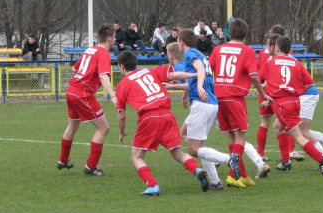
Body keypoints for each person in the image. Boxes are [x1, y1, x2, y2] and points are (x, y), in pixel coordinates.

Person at [116, 51, 210, 195]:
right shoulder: (150, 71)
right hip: (167, 114)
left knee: (136, 157)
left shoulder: (122, 85)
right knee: (178, 153)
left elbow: (121, 115)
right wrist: (194, 75)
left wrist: (122, 133)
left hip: (149, 117)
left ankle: (153, 185)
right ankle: (197, 170)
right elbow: (175, 75)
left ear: (121, 67)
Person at [208, 18, 273, 188]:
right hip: (235, 97)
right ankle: (232, 174)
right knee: (241, 136)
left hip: (218, 96)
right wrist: (263, 94)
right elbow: (253, 75)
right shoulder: (247, 51)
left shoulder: (218, 49)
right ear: (245, 33)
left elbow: (208, 71)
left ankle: (242, 175)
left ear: (229, 31)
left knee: (231, 135)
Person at [259, 35, 323, 176]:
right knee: (277, 127)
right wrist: (297, 93)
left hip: (282, 105)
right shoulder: (296, 63)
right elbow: (310, 83)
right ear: (290, 49)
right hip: (295, 102)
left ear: (277, 48)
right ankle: (286, 161)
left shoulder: (271, 63)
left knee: (298, 137)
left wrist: (265, 94)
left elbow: (261, 80)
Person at [177, 29, 239, 190]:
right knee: (196, 143)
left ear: (182, 42)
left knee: (193, 149)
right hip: (210, 103)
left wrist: (198, 87)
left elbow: (200, 72)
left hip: (202, 103)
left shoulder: (190, 54)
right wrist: (176, 88)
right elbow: (201, 75)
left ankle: (229, 159)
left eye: (178, 41)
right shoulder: (200, 55)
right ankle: (215, 182)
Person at [57, 23, 118, 176]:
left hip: (71, 91)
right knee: (104, 128)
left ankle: (63, 160)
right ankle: (91, 166)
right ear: (109, 38)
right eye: (115, 37)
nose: (116, 40)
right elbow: (103, 75)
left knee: (73, 126)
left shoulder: (90, 50)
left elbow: (75, 68)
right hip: (82, 93)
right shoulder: (103, 53)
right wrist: (113, 95)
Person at [256, 24, 305, 163]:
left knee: (265, 122)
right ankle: (290, 151)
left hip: (265, 91)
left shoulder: (262, 53)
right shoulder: (285, 55)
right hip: (280, 92)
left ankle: (260, 153)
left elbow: (259, 74)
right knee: (287, 122)